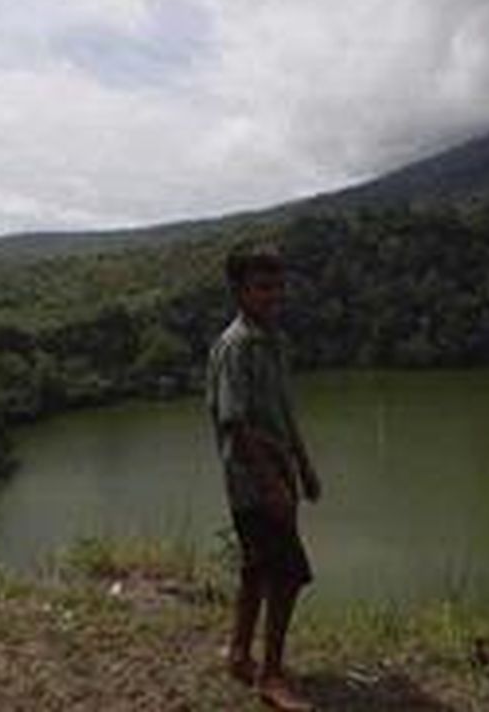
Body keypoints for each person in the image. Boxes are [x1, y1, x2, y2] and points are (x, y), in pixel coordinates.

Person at [206, 244, 322, 712]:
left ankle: (238, 654)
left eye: (278, 285)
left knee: (257, 569)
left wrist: (305, 465)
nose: (274, 294)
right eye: (262, 287)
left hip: (279, 474)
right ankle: (271, 677)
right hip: (253, 482)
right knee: (288, 574)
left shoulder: (272, 340)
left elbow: (282, 414)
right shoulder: (237, 346)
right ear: (238, 290)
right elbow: (234, 422)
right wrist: (272, 482)